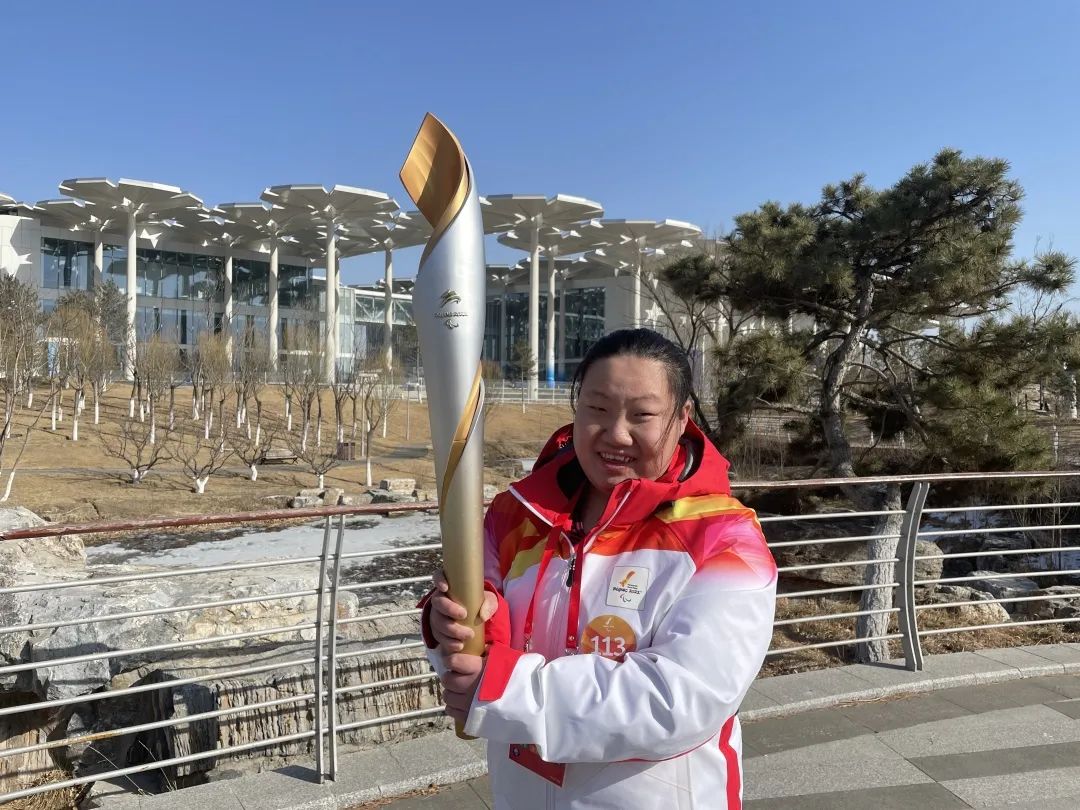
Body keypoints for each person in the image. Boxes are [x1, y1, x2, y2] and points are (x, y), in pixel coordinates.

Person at [421, 328, 777, 809]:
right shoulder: (514, 515)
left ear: (681, 419)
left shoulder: (723, 538)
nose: (616, 434)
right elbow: (473, 645)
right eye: (598, 409)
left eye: (642, 415)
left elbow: (682, 699)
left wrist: (507, 689)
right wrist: (457, 623)